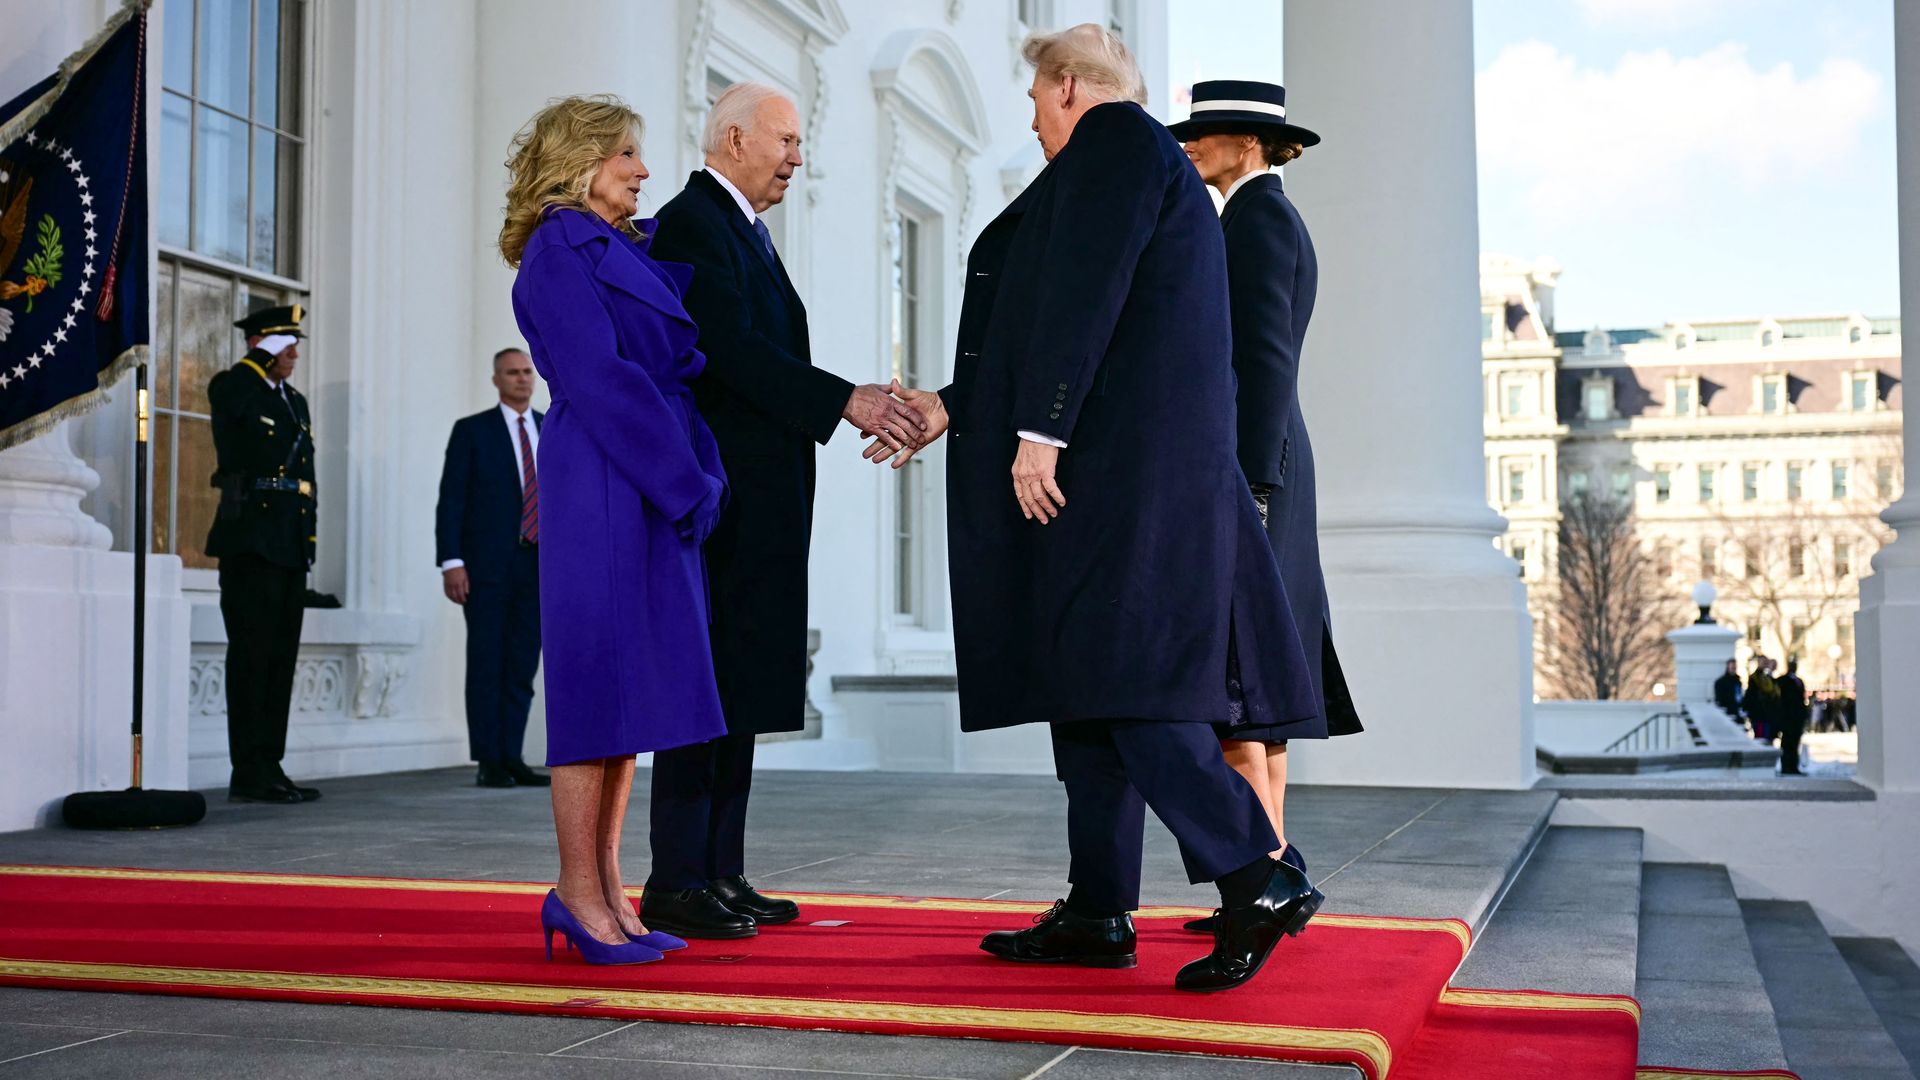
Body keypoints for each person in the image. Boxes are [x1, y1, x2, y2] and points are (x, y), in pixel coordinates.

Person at [876, 25, 1323, 993]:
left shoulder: (1117, 140)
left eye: (1037, 102)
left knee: (1131, 690)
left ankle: (1260, 876)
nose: (1034, 122)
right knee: (1088, 693)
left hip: (1123, 485)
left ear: (1068, 86)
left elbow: (1086, 294)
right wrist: (952, 408)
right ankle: (1096, 907)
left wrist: (1041, 430)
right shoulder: (1138, 162)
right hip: (1124, 481)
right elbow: (1057, 318)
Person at [640, 82, 929, 940]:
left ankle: (719, 871)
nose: (798, 157)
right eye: (787, 140)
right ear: (733, 139)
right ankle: (675, 877)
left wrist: (849, 399)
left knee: (743, 686)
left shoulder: (745, 230)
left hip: (761, 501)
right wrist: (850, 401)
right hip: (721, 501)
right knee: (709, 688)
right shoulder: (693, 221)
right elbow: (729, 351)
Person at [502, 94, 723, 964]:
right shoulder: (559, 249)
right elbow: (601, 379)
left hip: (640, 470)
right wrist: (684, 480)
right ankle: (575, 894)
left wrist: (693, 473)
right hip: (606, 472)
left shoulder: (611, 246)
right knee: (597, 692)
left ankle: (608, 893)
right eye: (626, 153)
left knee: (633, 694)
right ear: (580, 160)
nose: (641, 169)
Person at [1168, 80, 1363, 933]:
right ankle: (1276, 868)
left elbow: (1266, 362)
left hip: (1258, 471)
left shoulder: (1258, 220)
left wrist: (1249, 483)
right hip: (1270, 466)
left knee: (1239, 687)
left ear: (1247, 142)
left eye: (1202, 135)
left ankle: (1266, 882)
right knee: (1259, 695)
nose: (1188, 146)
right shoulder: (1250, 217)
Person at [206, 305, 323, 805]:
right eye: (285, 344)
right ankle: (248, 769)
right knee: (251, 657)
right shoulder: (235, 385)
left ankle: (269, 762)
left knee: (280, 660)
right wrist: (256, 358)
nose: (294, 353)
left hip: (290, 544)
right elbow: (231, 422)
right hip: (251, 541)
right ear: (262, 344)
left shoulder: (294, 400)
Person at [435, 347, 549, 789]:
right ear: (496, 379)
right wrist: (451, 561)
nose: (522, 379)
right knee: (487, 662)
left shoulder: (549, 428)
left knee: (522, 663)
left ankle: (513, 755)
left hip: (537, 565)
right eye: (512, 373)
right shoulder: (473, 432)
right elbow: (452, 500)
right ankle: (489, 759)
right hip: (485, 568)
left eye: (527, 372)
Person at [1776, 659, 1809, 776]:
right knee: (1787, 743)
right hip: (1787, 718)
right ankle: (1786, 766)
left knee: (1795, 743)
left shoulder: (1799, 681)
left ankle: (1794, 766)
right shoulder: (1783, 680)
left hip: (1797, 719)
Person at [1743, 657, 1779, 743]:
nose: (1765, 664)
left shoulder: (1766, 677)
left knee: (1767, 738)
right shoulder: (1755, 678)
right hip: (1759, 714)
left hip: (1767, 714)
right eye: (1763, 662)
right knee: (1761, 738)